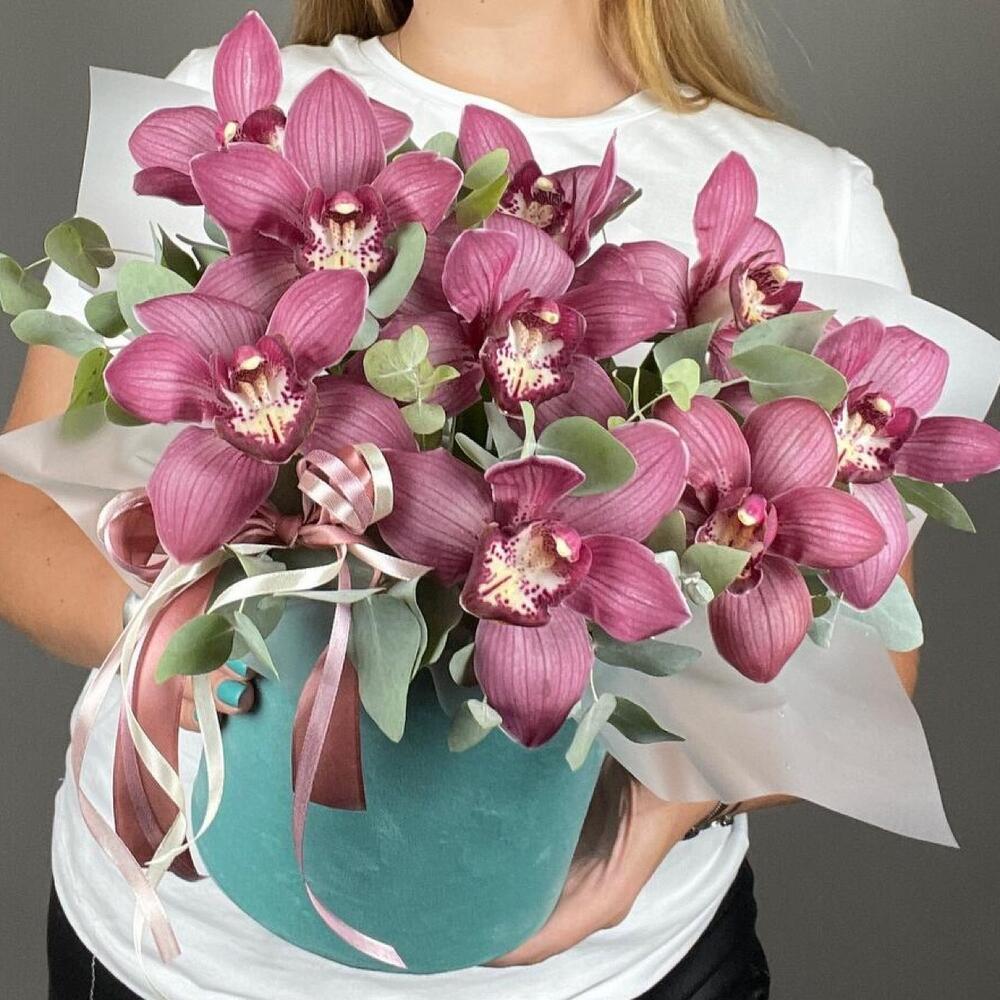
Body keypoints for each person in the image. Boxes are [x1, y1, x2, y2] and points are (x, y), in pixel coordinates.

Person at [0, 2, 918, 997]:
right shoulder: (230, 125)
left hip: (619, 973)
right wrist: (182, 645)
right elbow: (20, 517)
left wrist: (660, 815)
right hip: (180, 957)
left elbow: (876, 665)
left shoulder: (810, 199)